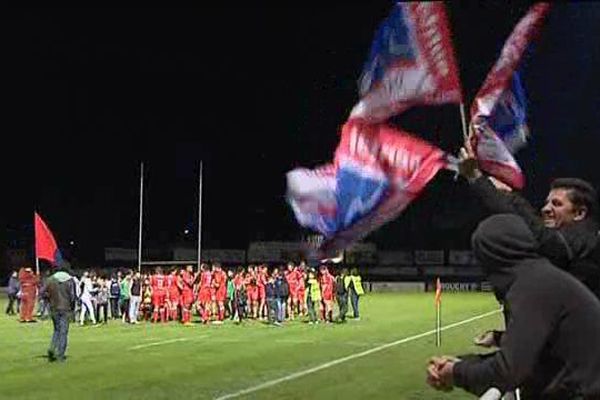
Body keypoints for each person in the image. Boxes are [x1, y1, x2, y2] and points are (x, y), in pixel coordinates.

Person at [427, 214, 600, 398]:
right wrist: (462, 364)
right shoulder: (539, 276)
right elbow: (527, 359)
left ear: (489, 256)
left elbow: (509, 372)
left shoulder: (534, 285)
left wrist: (455, 372)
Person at [459, 145, 600, 296]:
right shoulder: (572, 240)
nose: (545, 209)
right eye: (547, 203)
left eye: (557, 204)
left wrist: (477, 178)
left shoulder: (586, 238)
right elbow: (534, 226)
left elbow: (536, 233)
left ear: (579, 213)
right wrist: (509, 196)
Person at [46, 265, 76, 362]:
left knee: (56, 330)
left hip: (54, 308)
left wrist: (49, 299)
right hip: (65, 308)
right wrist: (73, 308)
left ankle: (52, 348)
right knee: (63, 332)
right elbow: (73, 296)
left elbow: (43, 293)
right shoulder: (70, 280)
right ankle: (60, 355)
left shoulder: (50, 280)